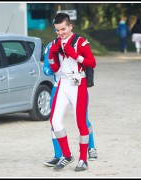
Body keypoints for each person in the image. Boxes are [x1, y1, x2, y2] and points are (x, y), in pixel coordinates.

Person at [47, 13, 96, 171]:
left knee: (81, 122)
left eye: (63, 29)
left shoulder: (80, 42)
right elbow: (55, 68)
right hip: (63, 83)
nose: (60, 33)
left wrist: (76, 56)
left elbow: (92, 62)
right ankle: (66, 155)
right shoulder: (56, 42)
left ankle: (83, 160)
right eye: (57, 30)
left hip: (78, 83)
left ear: (70, 26)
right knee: (54, 121)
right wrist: (51, 56)